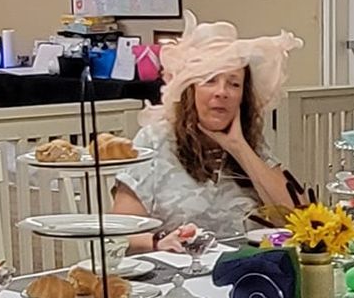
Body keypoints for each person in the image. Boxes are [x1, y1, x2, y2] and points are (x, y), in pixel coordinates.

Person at [112, 15, 306, 252]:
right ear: (189, 90)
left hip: (244, 272)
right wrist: (159, 242)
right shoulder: (155, 140)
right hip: (175, 275)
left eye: (234, 84)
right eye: (209, 81)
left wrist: (238, 147)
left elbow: (297, 216)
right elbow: (119, 236)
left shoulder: (250, 143)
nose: (222, 92)